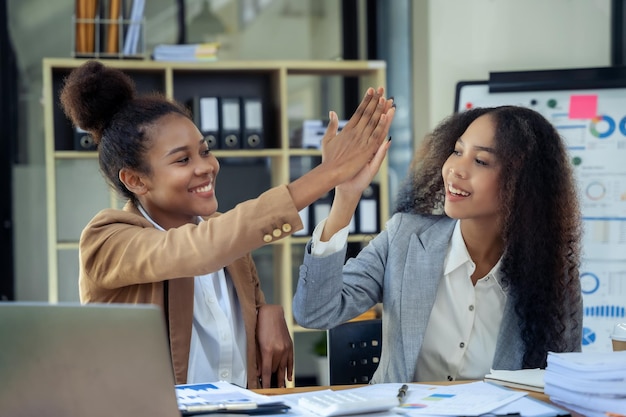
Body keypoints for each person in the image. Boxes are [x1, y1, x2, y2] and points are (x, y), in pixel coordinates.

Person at [59, 60, 395, 388]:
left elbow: (239, 284)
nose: (206, 166)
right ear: (135, 180)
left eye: (205, 151)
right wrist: (325, 174)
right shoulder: (107, 239)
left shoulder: (228, 242)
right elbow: (199, 249)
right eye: (182, 159)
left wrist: (268, 311)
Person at [293, 105, 583, 383]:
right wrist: (346, 196)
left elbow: (565, 382)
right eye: (457, 151)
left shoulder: (553, 274)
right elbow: (315, 312)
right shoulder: (404, 238)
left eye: (480, 161)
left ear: (522, 184)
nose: (456, 168)